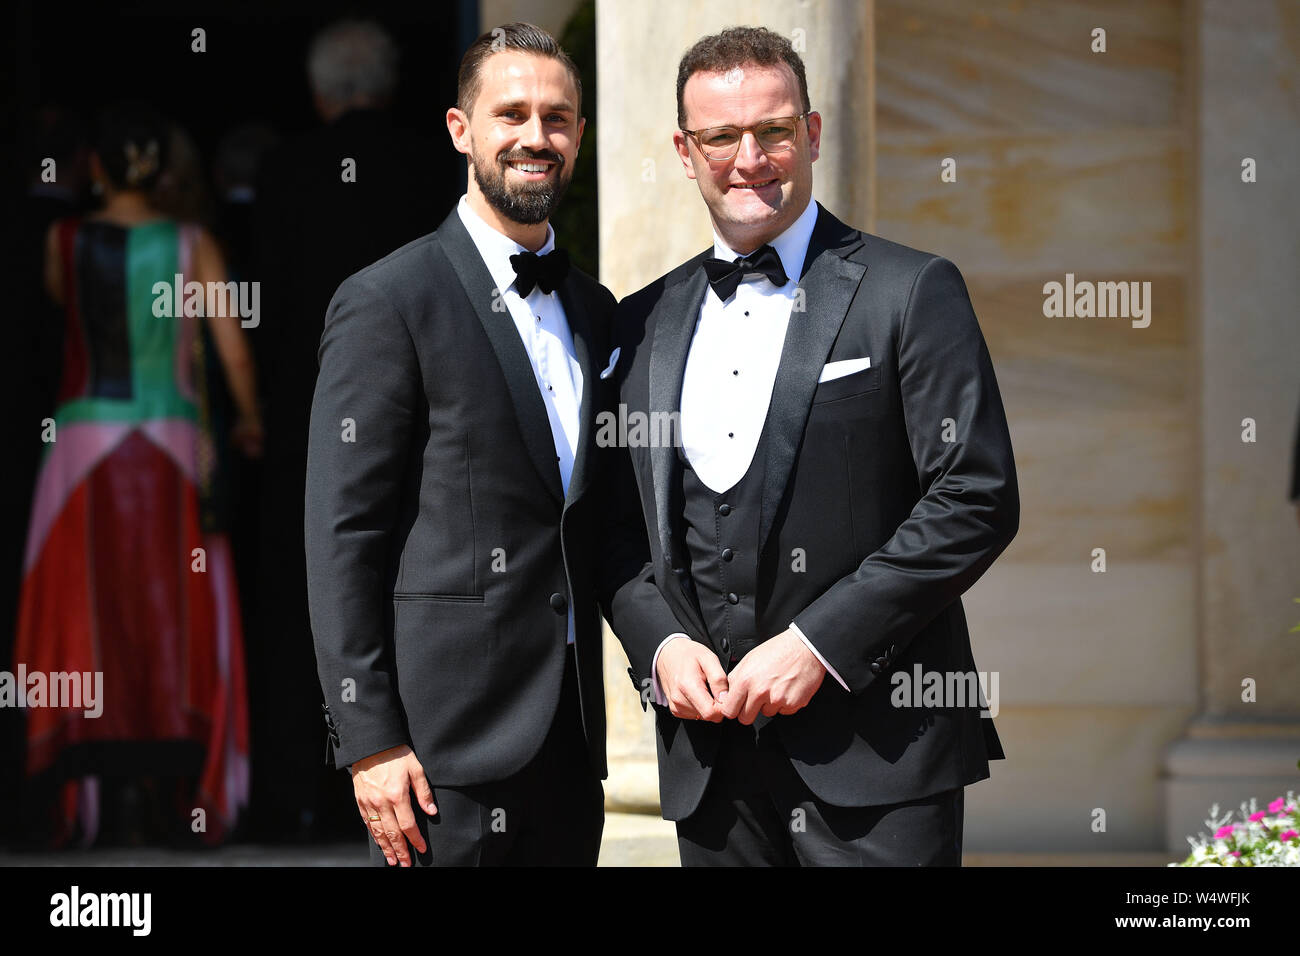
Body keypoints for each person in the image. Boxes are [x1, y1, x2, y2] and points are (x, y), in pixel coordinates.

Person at [602, 26, 1019, 866]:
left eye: (775, 131)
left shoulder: (911, 290)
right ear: (685, 152)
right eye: (721, 136)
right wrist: (661, 644)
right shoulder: (637, 318)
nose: (749, 157)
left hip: (882, 758)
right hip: (710, 765)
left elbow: (974, 494)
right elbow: (610, 522)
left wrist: (822, 644)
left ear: (814, 134)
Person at [305, 22, 609, 867]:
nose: (535, 136)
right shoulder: (387, 300)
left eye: (558, 117)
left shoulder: (597, 308)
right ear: (460, 129)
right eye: (510, 113)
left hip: (571, 751)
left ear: (580, 136)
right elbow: (341, 535)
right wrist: (368, 739)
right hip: (437, 761)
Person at [14, 101, 259, 848]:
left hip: (80, 445)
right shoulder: (192, 244)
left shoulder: (62, 240)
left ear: (94, 166)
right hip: (171, 442)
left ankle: (85, 783)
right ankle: (176, 785)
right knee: (176, 614)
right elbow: (231, 349)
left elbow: (68, 316)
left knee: (80, 615)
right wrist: (251, 420)